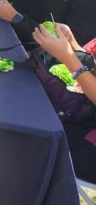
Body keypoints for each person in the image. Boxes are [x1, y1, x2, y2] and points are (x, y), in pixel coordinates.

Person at [33, 22, 96, 182]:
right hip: (84, 116)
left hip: (89, 142)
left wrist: (67, 56)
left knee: (34, 136)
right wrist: (71, 43)